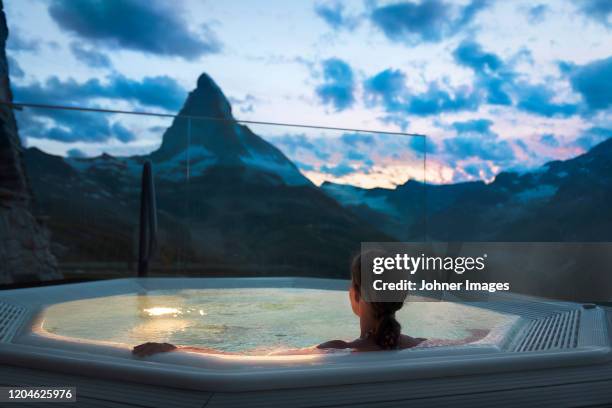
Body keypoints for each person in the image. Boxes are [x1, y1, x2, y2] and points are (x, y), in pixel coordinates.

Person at [132, 254, 485, 357]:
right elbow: (476, 340)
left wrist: (176, 346)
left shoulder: (336, 350)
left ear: (355, 297)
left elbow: (247, 360)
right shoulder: (426, 346)